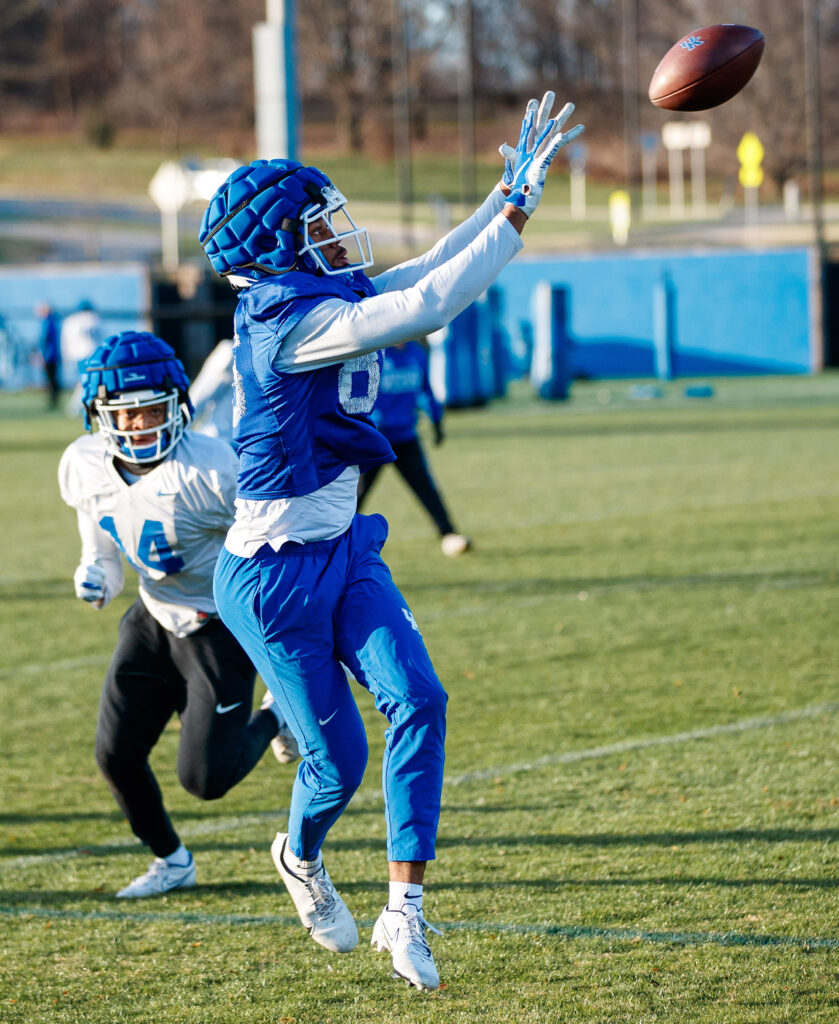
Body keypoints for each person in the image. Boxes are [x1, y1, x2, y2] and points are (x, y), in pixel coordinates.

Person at [198, 92, 583, 990]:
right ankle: (298, 856)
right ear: (278, 248)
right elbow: (430, 304)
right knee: (336, 768)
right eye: (321, 224)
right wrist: (521, 209)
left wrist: (500, 195)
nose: (342, 233)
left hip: (342, 552)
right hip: (271, 581)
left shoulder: (317, 295)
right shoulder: (289, 324)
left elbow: (426, 266)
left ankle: (402, 911)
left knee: (420, 697)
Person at [58, 330, 299, 900]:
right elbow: (101, 534)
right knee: (115, 754)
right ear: (100, 417)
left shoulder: (215, 467)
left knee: (206, 781)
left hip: (219, 623)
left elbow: (274, 541)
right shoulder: (83, 463)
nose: (140, 424)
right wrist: (97, 571)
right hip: (152, 616)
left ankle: (277, 713)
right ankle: (171, 860)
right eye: (127, 414)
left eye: (151, 410)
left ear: (178, 406)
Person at [357, 340, 471, 557]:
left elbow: (426, 389)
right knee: (357, 494)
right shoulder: (376, 354)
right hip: (376, 441)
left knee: (426, 487)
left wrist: (436, 421)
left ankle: (449, 533)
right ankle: (332, 541)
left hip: (406, 437)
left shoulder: (416, 353)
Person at [36, 303, 62, 408]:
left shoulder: (47, 322)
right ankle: (54, 400)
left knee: (50, 379)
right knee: (54, 378)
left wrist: (41, 354)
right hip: (55, 355)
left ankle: (52, 401)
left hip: (49, 355)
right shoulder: (55, 321)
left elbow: (44, 339)